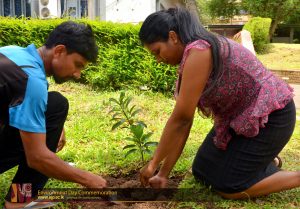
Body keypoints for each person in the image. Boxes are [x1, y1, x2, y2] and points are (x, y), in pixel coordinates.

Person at [139, 7, 299, 199]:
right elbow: (185, 122)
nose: (158, 59)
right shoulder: (196, 50)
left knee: (229, 186)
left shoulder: (200, 50)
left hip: (271, 116)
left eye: (157, 51)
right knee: (203, 170)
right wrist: (163, 174)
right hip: (240, 118)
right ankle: (261, 163)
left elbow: (181, 120)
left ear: (173, 37)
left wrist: (152, 165)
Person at [0, 21, 107, 209]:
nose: (77, 74)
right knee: (41, 152)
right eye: (78, 65)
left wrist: (52, 126)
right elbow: (37, 158)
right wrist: (88, 179)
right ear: (59, 51)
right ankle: (18, 201)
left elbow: (23, 95)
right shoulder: (32, 81)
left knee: (54, 104)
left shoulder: (12, 52)